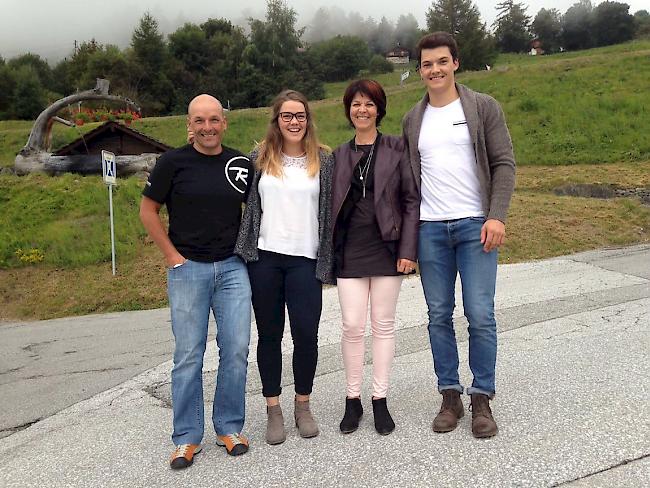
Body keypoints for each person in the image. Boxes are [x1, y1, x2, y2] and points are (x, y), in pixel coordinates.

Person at [402, 32, 516, 438]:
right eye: (427, 64)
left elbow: (504, 164)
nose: (435, 69)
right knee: (437, 316)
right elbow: (410, 182)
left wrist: (496, 216)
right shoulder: (412, 119)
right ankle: (449, 395)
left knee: (480, 315)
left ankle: (481, 396)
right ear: (420, 70)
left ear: (456, 63)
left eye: (442, 61)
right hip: (430, 229)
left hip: (475, 226)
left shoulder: (483, 107)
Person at [139, 94, 253, 469]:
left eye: (214, 120)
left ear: (225, 122)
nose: (207, 127)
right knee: (188, 355)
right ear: (189, 124)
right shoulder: (172, 163)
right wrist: (172, 256)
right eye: (200, 120)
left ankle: (229, 426)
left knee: (235, 349)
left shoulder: (239, 163)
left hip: (233, 269)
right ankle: (186, 437)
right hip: (188, 269)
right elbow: (148, 210)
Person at [235, 90, 334, 445]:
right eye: (287, 116)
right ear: (276, 120)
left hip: (306, 259)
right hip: (265, 259)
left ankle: (302, 404)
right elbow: (227, 190)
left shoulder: (325, 160)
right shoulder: (257, 159)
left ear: (308, 120)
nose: (294, 121)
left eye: (300, 116)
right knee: (270, 335)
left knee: (306, 334)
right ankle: (272, 407)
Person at [332, 79, 419, 435]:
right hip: (350, 250)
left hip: (387, 248)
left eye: (369, 104)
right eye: (356, 104)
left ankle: (379, 399)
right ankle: (352, 400)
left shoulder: (398, 148)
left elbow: (412, 201)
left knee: (383, 325)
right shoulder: (338, 155)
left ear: (379, 110)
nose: (362, 110)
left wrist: (408, 250)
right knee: (352, 325)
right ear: (349, 110)